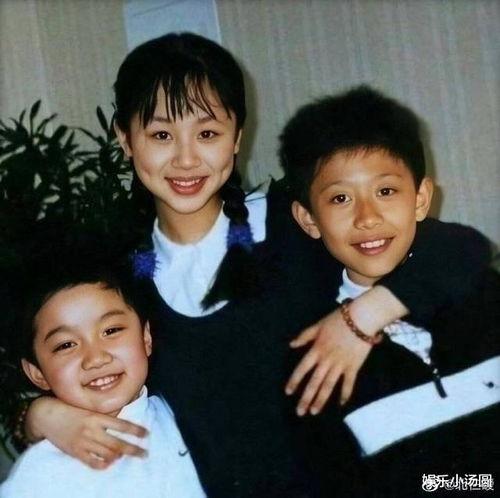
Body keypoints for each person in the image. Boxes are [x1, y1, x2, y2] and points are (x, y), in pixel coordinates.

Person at [19, 34, 492, 497]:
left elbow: (459, 249)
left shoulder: (293, 222)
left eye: (207, 133)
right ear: (125, 139)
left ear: (237, 137)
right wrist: (40, 415)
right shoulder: (126, 277)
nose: (186, 158)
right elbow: (76, 365)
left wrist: (360, 318)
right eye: (161, 135)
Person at [280, 85, 500, 496]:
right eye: (340, 198)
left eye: (385, 191)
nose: (367, 217)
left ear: (420, 199)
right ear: (309, 219)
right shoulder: (314, 359)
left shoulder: (481, 292)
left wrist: (364, 315)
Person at [0, 249, 205, 498]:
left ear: (146, 337)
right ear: (37, 373)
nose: (96, 358)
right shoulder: (39, 477)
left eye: (111, 331)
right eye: (66, 345)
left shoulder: (192, 412)